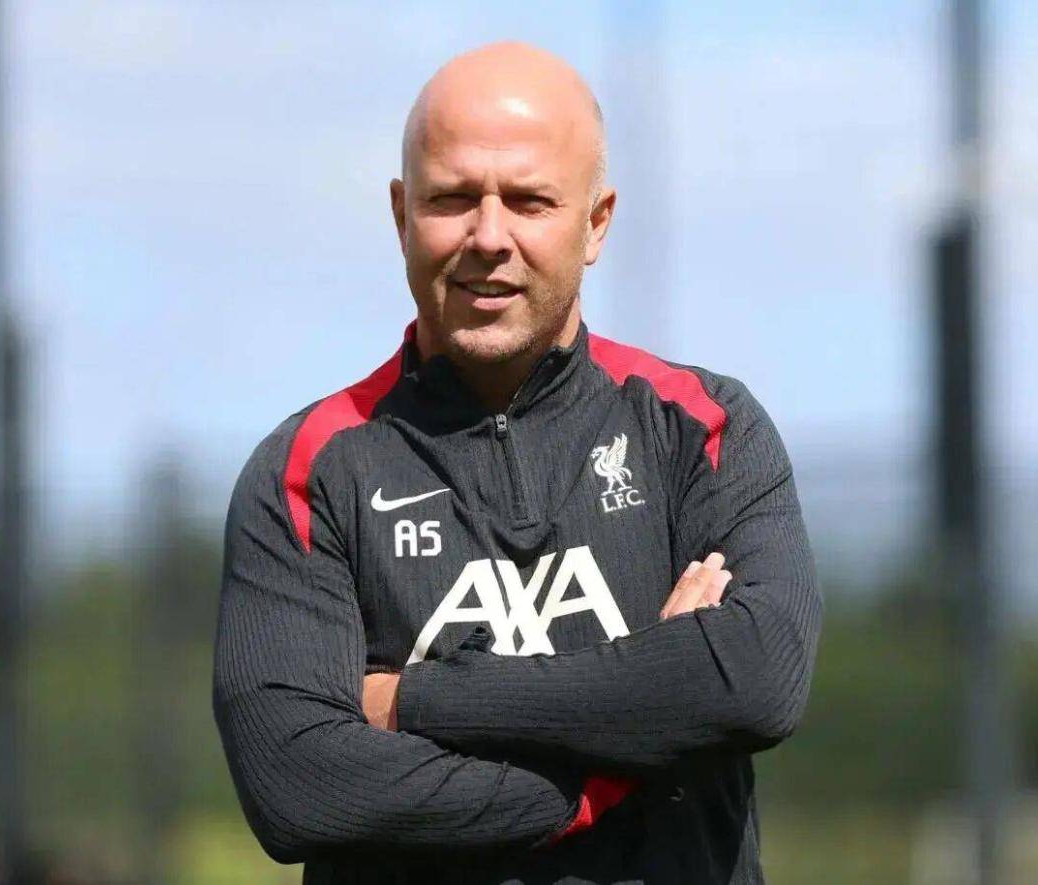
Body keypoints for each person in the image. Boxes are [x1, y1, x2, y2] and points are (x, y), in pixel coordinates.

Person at [213, 40, 822, 884]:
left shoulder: (704, 429)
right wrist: (609, 771)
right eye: (453, 199)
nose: (489, 237)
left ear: (595, 222)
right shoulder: (310, 472)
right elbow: (299, 786)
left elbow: (753, 679)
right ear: (401, 215)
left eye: (530, 201)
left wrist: (411, 701)